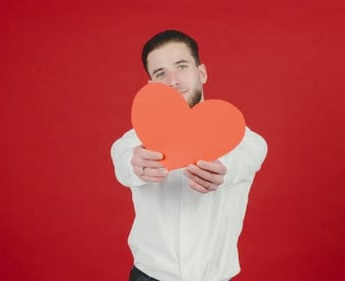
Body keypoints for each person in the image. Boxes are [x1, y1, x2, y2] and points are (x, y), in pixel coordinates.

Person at [111, 30, 268, 281]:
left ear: (202, 72)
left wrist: (219, 170)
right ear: (151, 85)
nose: (173, 80)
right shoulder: (133, 141)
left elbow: (245, 157)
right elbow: (123, 161)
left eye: (181, 66)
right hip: (149, 276)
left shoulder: (244, 140)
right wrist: (137, 164)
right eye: (160, 73)